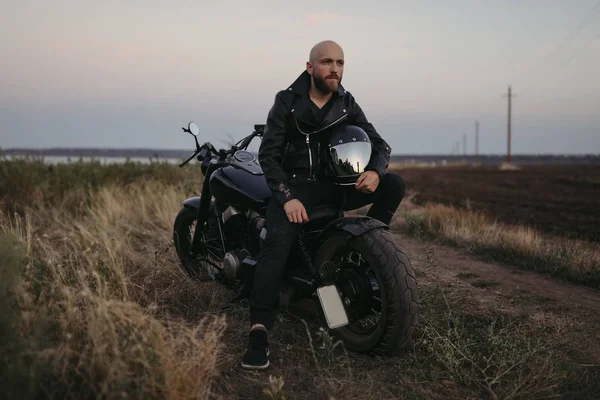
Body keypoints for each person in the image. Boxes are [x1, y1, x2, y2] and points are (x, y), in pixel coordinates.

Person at [241, 40, 406, 370]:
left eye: (341, 63)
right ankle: (259, 331)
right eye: (328, 62)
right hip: (296, 187)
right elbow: (269, 157)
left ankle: (362, 249)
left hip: (335, 186)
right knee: (276, 247)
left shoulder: (346, 101)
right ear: (310, 67)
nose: (335, 69)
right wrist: (287, 198)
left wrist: (375, 170)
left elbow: (380, 144)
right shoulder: (286, 102)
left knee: (394, 184)